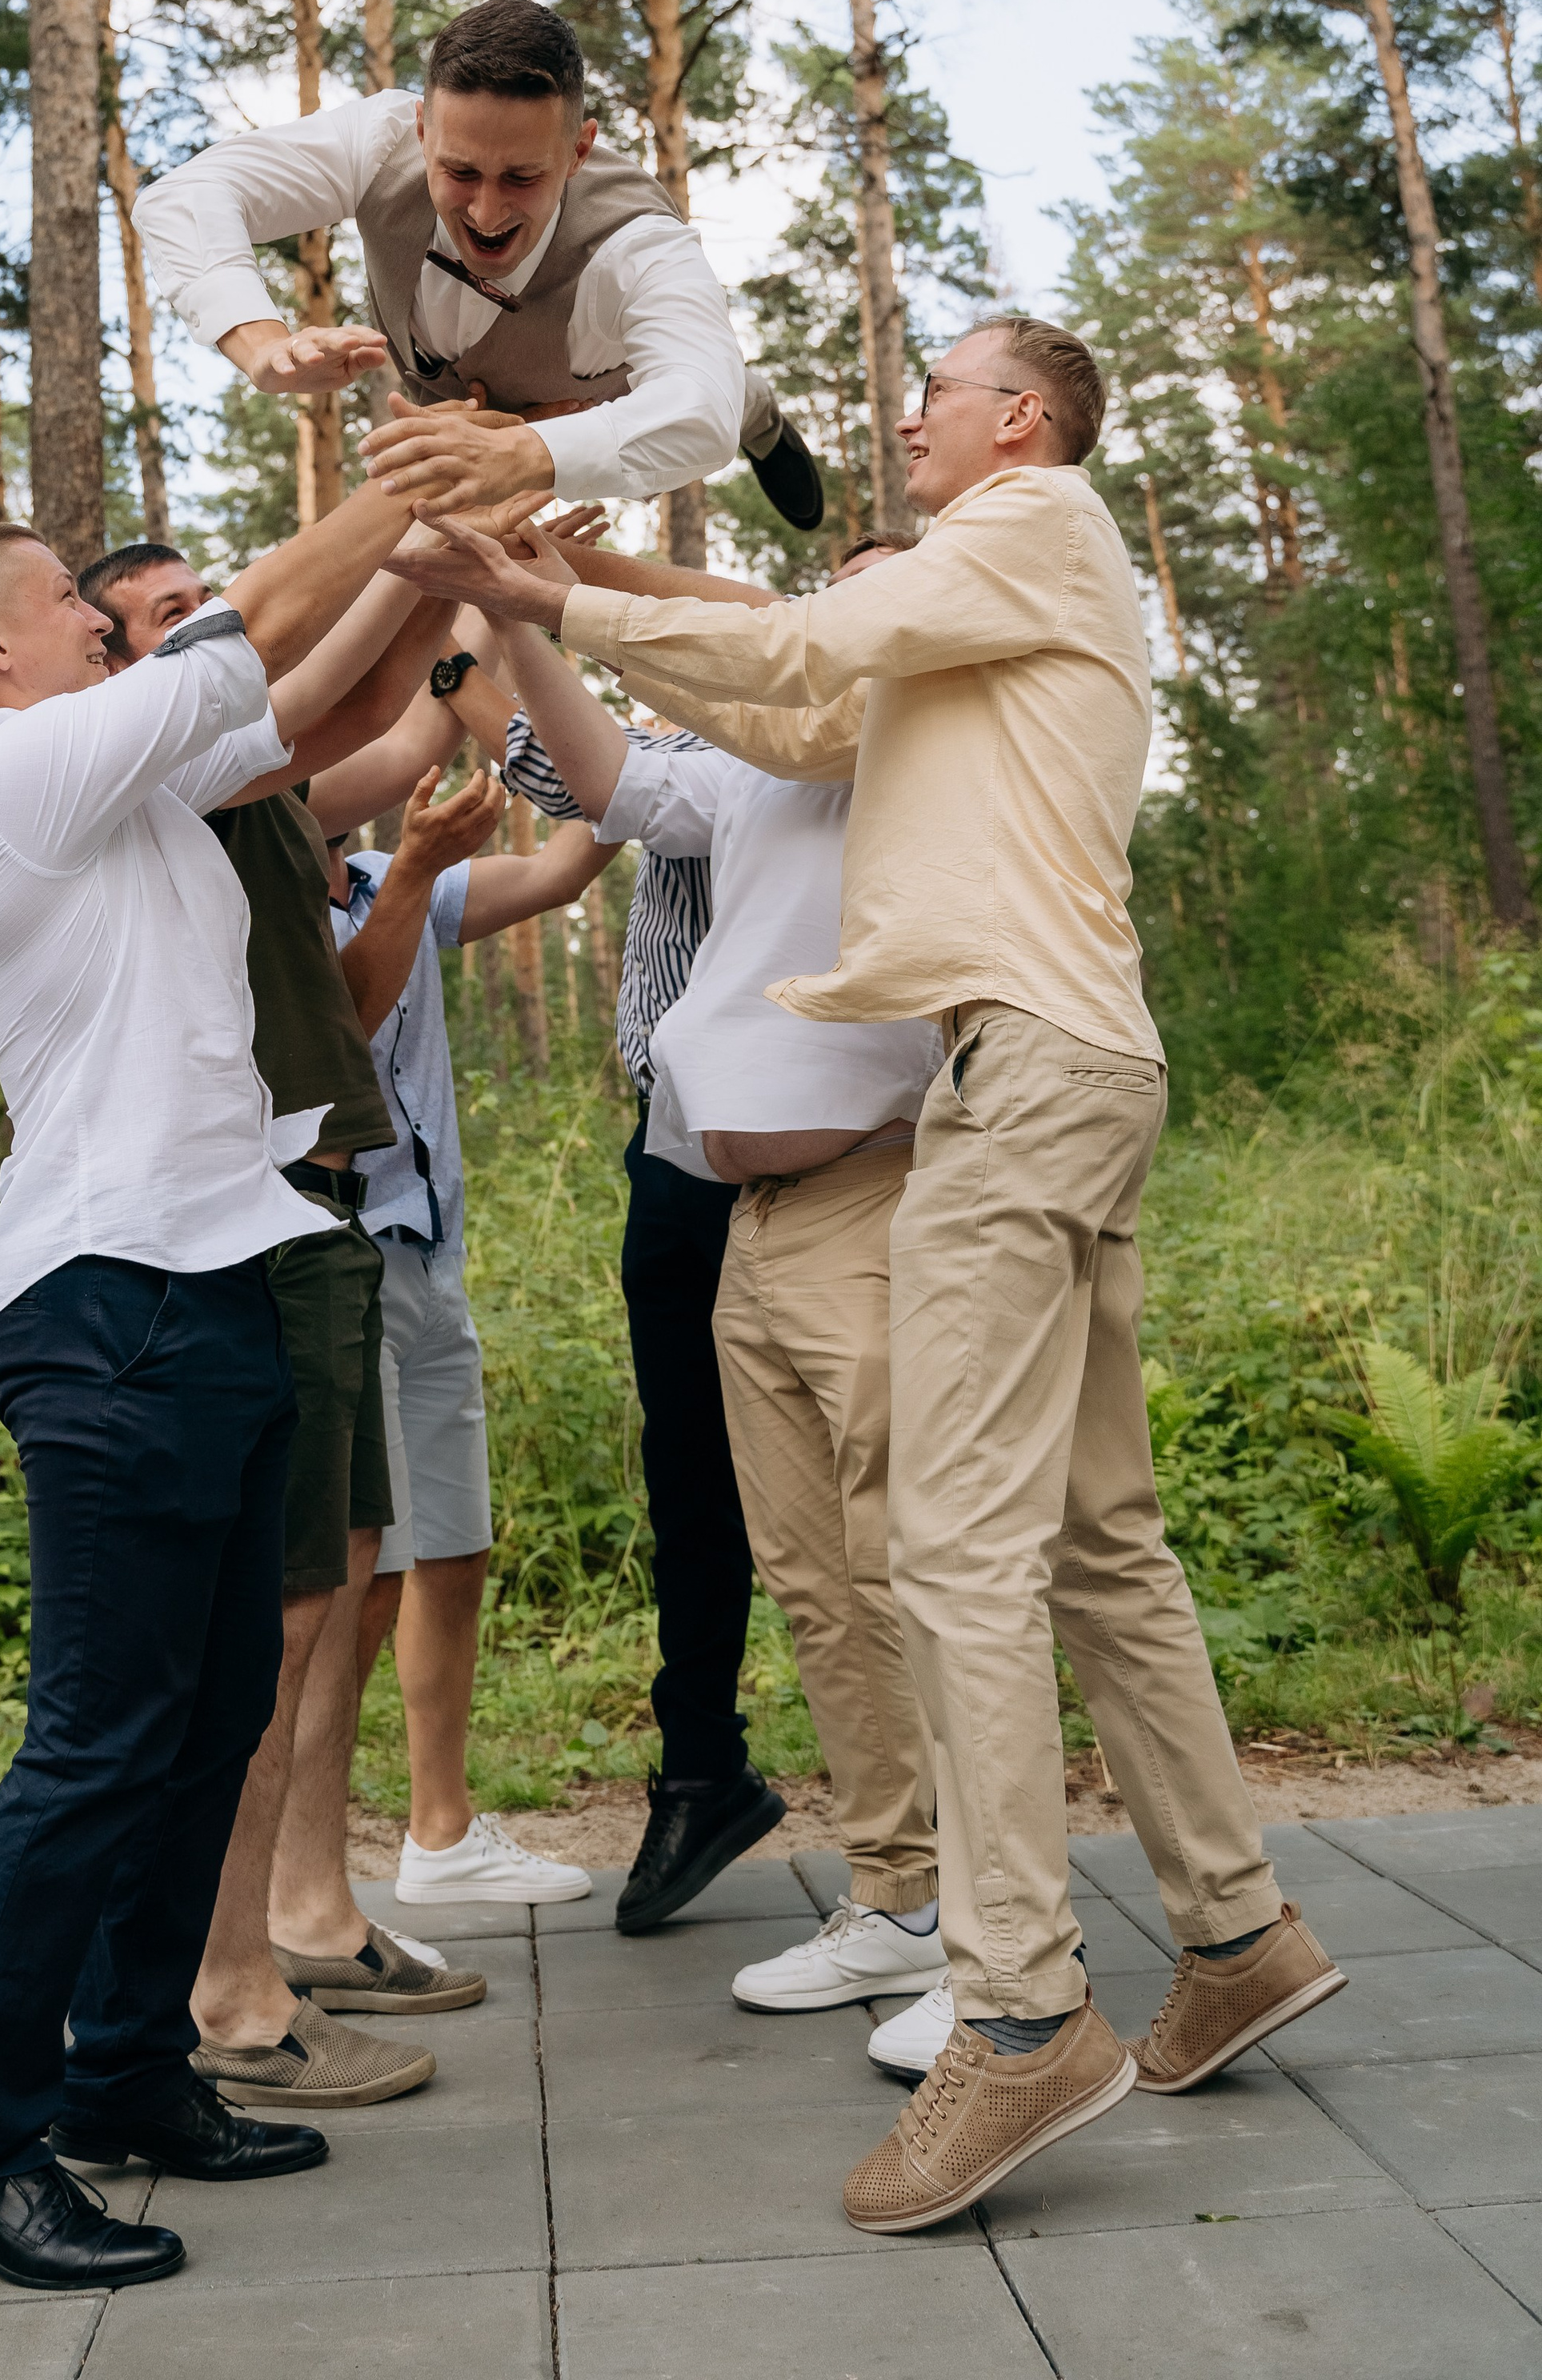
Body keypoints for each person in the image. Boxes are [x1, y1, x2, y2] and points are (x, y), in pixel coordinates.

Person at [412, 317, 1347, 2234]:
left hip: (1018, 1073)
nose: (902, 411)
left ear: (1017, 416)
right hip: (1057, 1060)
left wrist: (551, 573)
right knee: (1095, 1537)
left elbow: (806, 637)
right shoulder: (964, 621)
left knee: (951, 1546)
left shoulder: (1040, 517)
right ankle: (1235, 1927)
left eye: (934, 384)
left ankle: (1012, 2015)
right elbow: (779, 708)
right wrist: (543, 598)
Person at [0, 479, 435, 2290]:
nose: (96, 620)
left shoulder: (124, 785)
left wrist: (426, 570)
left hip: (220, 1266)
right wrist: (389, 493)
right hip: (98, 1292)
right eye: (67, 602)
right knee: (96, 1736)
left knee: (209, 1718)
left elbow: (296, 709)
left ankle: (129, 2077)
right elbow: (230, 646)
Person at [496, 596, 951, 2052]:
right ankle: (897, 1899)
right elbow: (612, 783)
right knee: (813, 1576)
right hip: (735, 1201)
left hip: (879, 1194)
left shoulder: (934, 744)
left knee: (908, 1572)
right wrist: (515, 613)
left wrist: (576, 601)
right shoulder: (754, 765)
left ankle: (993, 1934)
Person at [82, 543, 491, 2117]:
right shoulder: (172, 771)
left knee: (337, 1588)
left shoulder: (252, 784)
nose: (218, 620)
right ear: (126, 664)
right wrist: (421, 544)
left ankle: (303, 1915)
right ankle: (226, 1988)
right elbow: (331, 693)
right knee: (278, 1612)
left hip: (324, 1210)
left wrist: (461, 616)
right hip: (255, 1212)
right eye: (176, 608)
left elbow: (388, 729)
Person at [493, 557, 795, 1933]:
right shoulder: (698, 748)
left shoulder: (817, 750)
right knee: (691, 1479)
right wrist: (496, 594)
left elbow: (555, 765)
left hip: (829, 1158)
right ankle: (701, 1772)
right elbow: (550, 764)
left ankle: (932, 1825)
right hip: (677, 1158)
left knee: (858, 1489)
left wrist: (516, 591)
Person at [131, 0, 824, 528]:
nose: (487, 215)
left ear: (579, 152)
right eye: (459, 172)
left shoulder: (639, 246)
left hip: (603, 394)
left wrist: (527, 453)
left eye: (522, 178)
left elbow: (697, 412)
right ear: (423, 128)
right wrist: (261, 345)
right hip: (444, 400)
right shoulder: (378, 140)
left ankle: (763, 419)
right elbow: (185, 196)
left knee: (726, 384)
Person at [324, 740, 619, 1910]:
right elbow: (341, 1020)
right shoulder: (235, 889)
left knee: (452, 1546)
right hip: (331, 1252)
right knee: (362, 1580)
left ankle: (439, 1835)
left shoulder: (386, 873)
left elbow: (558, 873)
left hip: (427, 1249)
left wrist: (633, 749)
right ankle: (309, 1879)